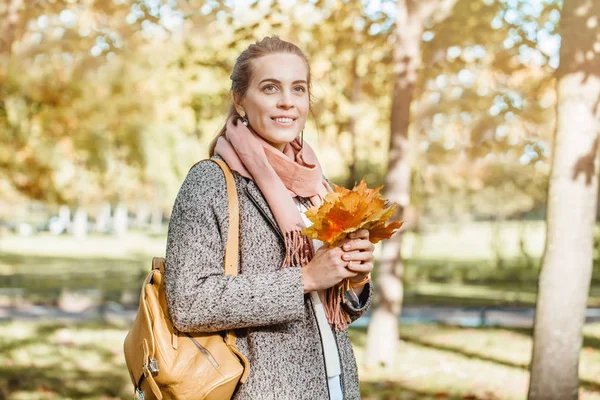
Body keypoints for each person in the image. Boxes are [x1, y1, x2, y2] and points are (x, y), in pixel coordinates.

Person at [164, 36, 374, 400]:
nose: (287, 102)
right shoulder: (210, 181)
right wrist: (305, 278)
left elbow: (331, 313)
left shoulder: (316, 186)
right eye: (270, 88)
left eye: (298, 89)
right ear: (240, 101)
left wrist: (354, 280)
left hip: (334, 387)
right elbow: (188, 302)